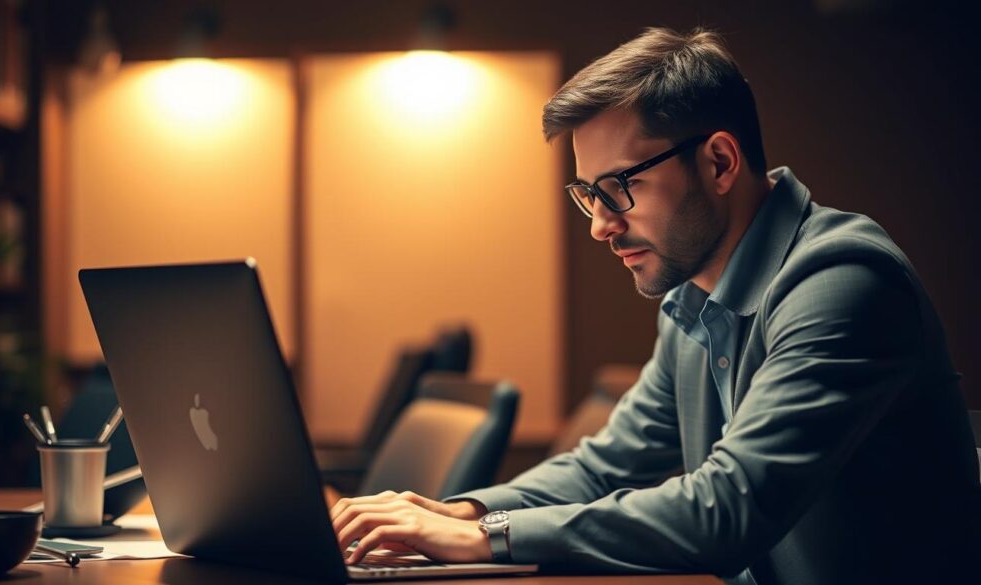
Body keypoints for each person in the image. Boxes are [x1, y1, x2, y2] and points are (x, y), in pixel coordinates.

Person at [330, 27, 980, 584]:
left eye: (620, 186)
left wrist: (487, 536)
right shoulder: (692, 301)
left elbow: (727, 508)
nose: (600, 225)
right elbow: (603, 467)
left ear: (719, 162)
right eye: (588, 194)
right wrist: (461, 513)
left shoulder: (843, 283)